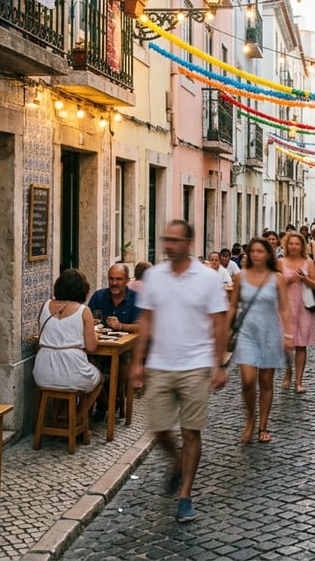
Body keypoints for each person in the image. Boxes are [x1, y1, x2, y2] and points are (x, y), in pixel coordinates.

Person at [132, 220, 230, 524]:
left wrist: (218, 363)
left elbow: (219, 321)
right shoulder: (154, 276)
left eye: (175, 240)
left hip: (196, 365)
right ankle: (176, 461)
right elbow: (146, 320)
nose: (169, 245)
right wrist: (138, 362)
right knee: (159, 429)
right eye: (166, 239)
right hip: (160, 363)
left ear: (189, 243)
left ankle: (185, 495)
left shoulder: (207, 278)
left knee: (191, 431)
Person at [228, 237, 292, 444]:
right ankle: (250, 416)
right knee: (247, 381)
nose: (255, 255)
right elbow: (232, 306)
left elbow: (284, 308)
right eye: (252, 251)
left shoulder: (278, 278)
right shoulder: (240, 277)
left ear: (267, 254)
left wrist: (288, 335)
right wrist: (224, 330)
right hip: (247, 333)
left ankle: (263, 425)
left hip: (270, 333)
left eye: (260, 251)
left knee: (265, 382)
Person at [35, 268, 105, 422]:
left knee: (64, 376)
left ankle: (60, 415)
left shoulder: (45, 305)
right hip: (70, 370)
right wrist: (95, 335)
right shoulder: (83, 311)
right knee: (100, 379)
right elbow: (92, 347)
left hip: (43, 373)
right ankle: (77, 419)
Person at [279, 232, 315, 393]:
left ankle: (298, 381)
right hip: (285, 306)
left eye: (297, 244)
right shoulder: (280, 262)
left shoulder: (308, 262)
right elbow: (273, 282)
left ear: (302, 246)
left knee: (301, 345)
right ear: (286, 245)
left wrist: (304, 279)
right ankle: (288, 372)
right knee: (286, 345)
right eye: (291, 243)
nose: (294, 246)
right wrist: (286, 280)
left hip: (303, 306)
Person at [88, 263, 141, 334]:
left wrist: (121, 326)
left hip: (127, 344)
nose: (114, 283)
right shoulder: (98, 296)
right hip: (101, 343)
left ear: (127, 280)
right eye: (111, 278)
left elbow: (141, 327)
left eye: (119, 279)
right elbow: (86, 321)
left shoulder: (136, 298)